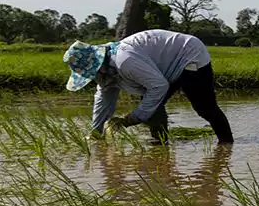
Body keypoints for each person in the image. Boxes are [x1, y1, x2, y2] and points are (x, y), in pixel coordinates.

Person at [62, 29, 234, 144]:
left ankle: (226, 145)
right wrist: (96, 132)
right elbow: (103, 98)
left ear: (97, 66)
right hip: (163, 64)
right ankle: (160, 144)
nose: (93, 79)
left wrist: (131, 119)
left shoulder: (125, 61)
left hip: (189, 54)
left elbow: (159, 86)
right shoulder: (106, 71)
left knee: (204, 108)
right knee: (152, 103)